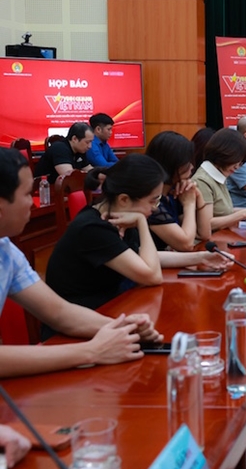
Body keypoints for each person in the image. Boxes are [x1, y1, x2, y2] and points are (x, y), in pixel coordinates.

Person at [0, 147, 162, 378]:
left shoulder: (6, 251)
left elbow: (59, 313)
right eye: (27, 194)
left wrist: (122, 328)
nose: (32, 203)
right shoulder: (91, 226)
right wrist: (91, 351)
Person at [44, 154, 232, 320]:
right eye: (153, 201)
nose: (155, 208)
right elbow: (152, 276)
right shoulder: (93, 228)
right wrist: (142, 222)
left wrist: (201, 257)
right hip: (82, 323)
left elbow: (142, 257)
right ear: (124, 199)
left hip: (113, 310)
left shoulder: (118, 215)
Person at [191, 128, 246, 230]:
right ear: (224, 153)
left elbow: (224, 212)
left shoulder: (219, 174)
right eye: (236, 161)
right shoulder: (202, 181)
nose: (237, 167)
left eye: (241, 163)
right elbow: (207, 224)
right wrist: (244, 214)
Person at [145, 131, 212, 250]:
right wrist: (189, 204)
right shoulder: (151, 201)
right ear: (171, 163)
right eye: (186, 162)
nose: (192, 167)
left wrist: (198, 196)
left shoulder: (173, 192)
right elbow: (186, 244)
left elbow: (205, 234)